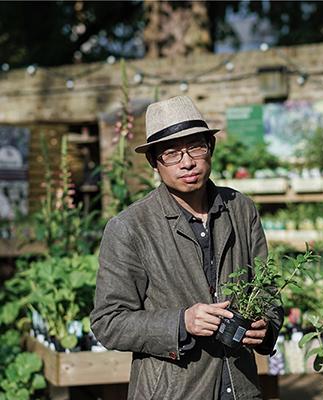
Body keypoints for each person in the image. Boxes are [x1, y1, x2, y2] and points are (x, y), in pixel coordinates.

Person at [91, 95, 282, 400]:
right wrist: (181, 322)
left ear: (211, 148)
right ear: (154, 162)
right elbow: (108, 322)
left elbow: (266, 291)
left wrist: (266, 327)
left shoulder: (240, 209)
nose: (187, 162)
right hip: (172, 390)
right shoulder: (130, 227)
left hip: (241, 388)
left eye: (196, 147)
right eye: (171, 153)